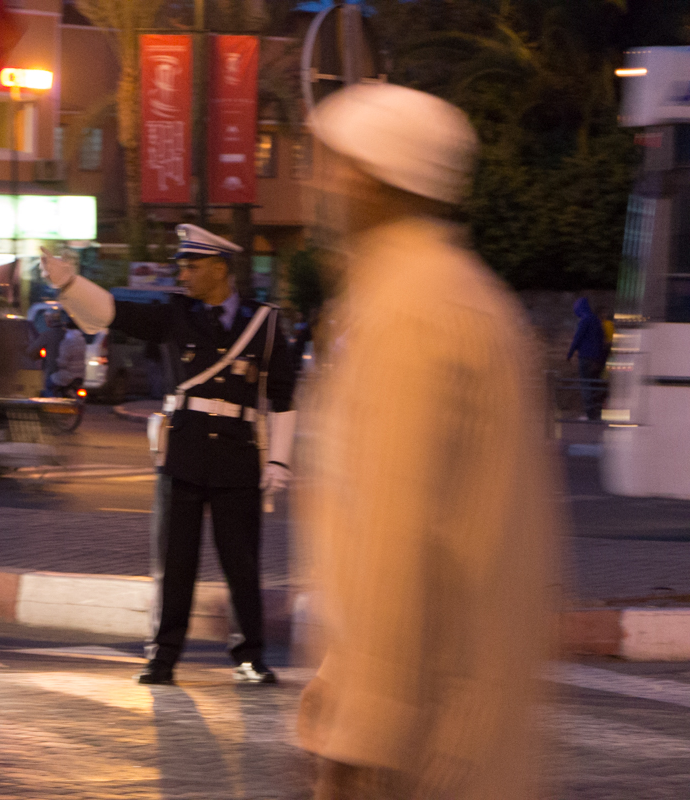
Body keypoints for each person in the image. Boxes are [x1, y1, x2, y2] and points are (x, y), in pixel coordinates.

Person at [294, 83, 558, 799]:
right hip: (462, 714)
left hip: (414, 741)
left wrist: (364, 730)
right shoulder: (467, 295)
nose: (321, 185)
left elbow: (391, 529)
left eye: (332, 166)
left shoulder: (406, 312)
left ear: (372, 181)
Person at [42, 224, 297, 685]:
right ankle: (163, 656)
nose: (184, 274)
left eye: (192, 266)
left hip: (238, 457)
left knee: (242, 562)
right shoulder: (174, 314)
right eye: (182, 265)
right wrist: (69, 284)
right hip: (182, 452)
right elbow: (115, 313)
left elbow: (283, 397)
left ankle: (249, 656)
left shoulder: (265, 322)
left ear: (221, 269)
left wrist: (278, 460)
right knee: (174, 562)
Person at [567, 296, 607, 421]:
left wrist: (569, 354)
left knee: (586, 385)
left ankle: (590, 414)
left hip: (585, 358)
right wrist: (601, 357)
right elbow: (602, 339)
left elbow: (577, 338)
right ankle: (597, 413)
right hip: (597, 359)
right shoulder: (596, 320)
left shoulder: (584, 320)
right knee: (595, 385)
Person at [46, 317, 87, 396]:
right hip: (81, 376)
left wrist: (56, 363)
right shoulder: (82, 339)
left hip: (68, 376)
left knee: (48, 385)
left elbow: (63, 361)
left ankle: (51, 405)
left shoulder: (68, 339)